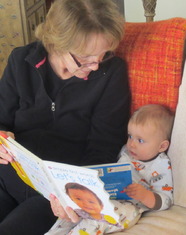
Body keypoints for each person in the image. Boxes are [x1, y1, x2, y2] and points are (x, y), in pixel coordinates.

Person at [0, 0, 130, 234]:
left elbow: (104, 146)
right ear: (56, 42)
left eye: (103, 54)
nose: (95, 65)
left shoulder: (111, 73)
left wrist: (76, 195)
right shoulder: (21, 61)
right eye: (85, 57)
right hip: (8, 173)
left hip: (56, 195)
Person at [48, 104, 174, 235]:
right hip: (104, 199)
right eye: (130, 136)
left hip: (129, 208)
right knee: (70, 212)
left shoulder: (160, 164)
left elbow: (166, 200)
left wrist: (145, 195)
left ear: (162, 146)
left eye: (140, 140)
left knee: (96, 220)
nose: (131, 144)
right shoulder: (126, 151)